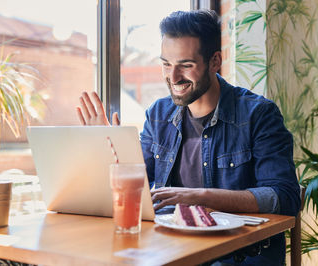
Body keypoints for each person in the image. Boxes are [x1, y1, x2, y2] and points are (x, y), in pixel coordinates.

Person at [77, 9, 300, 266]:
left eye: (186, 65)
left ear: (215, 61)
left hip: (238, 257)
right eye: (166, 64)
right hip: (169, 249)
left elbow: (285, 197)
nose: (173, 78)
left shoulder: (258, 115)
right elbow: (138, 186)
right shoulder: (158, 114)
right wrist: (109, 148)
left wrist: (198, 196)